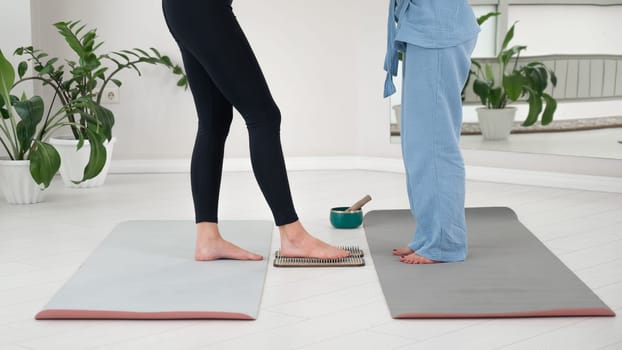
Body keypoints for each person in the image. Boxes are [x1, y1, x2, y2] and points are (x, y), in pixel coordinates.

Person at [162, 0, 349, 261]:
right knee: (264, 117)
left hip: (182, 9)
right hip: (202, 8)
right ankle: (293, 236)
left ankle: (207, 239)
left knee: (214, 120)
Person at [383, 0, 480, 264]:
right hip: (426, 28)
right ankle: (429, 236)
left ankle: (444, 243)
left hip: (437, 31)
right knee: (419, 145)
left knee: (435, 144)